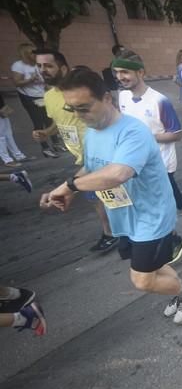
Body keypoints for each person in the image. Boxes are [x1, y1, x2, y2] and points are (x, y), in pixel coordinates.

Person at [40, 68, 182, 325]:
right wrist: (66, 187)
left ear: (107, 98)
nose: (79, 116)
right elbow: (92, 167)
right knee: (155, 268)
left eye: (84, 107)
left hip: (151, 217)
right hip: (124, 215)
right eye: (73, 110)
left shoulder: (133, 132)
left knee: (142, 280)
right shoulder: (93, 131)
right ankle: (178, 289)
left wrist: (71, 187)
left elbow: (118, 173)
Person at [113, 51, 182, 248]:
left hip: (160, 163)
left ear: (141, 72)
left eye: (125, 72)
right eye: (117, 72)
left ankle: (175, 239)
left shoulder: (159, 100)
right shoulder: (123, 96)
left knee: (157, 203)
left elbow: (176, 134)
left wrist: (145, 139)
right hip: (135, 164)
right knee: (169, 200)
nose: (120, 77)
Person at [33, 49, 119, 253]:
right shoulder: (49, 96)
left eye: (48, 65)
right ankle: (116, 232)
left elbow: (110, 114)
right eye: (39, 66)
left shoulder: (84, 92)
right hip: (82, 156)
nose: (42, 70)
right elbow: (58, 121)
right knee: (99, 196)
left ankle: (113, 233)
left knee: (106, 193)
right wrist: (47, 132)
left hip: (101, 153)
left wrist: (69, 187)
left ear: (63, 67)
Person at [11, 43, 59, 158]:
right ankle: (45, 148)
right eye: (33, 52)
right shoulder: (19, 65)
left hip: (42, 94)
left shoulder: (37, 65)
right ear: (26, 53)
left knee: (49, 118)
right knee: (38, 122)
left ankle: (56, 144)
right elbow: (17, 82)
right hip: (29, 97)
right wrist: (31, 79)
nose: (36, 54)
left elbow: (45, 80)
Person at [0, 92, 29, 167]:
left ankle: (18, 155)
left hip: (1, 108)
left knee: (8, 134)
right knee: (1, 137)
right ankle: (7, 160)